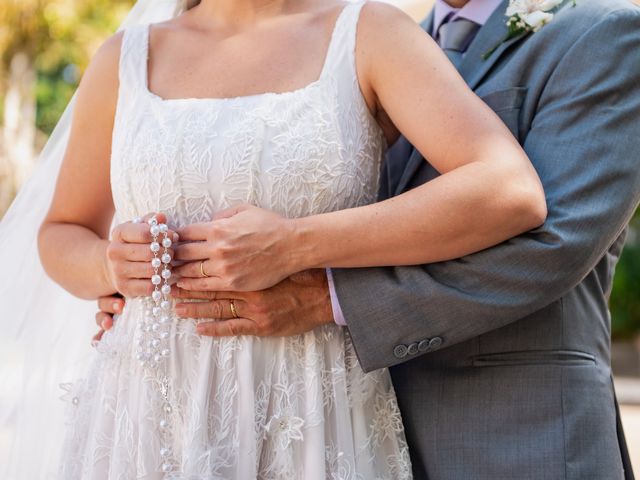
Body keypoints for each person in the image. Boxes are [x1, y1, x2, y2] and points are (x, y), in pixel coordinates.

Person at [97, 0, 640, 478]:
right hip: (343, 421)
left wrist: (327, 296)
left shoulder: (606, 32)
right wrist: (144, 276)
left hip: (517, 436)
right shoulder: (386, 35)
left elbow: (554, 242)